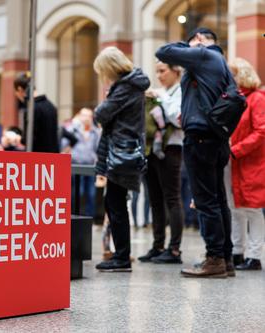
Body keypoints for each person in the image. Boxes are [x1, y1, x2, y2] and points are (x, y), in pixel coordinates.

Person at [156, 27, 235, 278]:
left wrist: (191, 45)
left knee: (206, 201)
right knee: (218, 200)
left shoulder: (202, 56)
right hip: (217, 138)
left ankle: (214, 259)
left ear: (199, 41)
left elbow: (163, 51)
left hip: (200, 139)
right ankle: (225, 257)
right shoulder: (221, 62)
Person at [93, 47, 150, 272]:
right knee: (115, 203)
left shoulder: (125, 87)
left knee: (115, 204)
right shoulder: (131, 85)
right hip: (123, 150)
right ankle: (120, 255)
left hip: (121, 151)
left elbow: (101, 114)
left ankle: (122, 257)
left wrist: (105, 102)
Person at [138, 61, 184, 264]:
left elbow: (178, 118)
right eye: (156, 71)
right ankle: (157, 246)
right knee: (155, 198)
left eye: (163, 71)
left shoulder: (180, 91)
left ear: (176, 71)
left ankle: (174, 249)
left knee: (172, 198)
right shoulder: (160, 92)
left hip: (172, 148)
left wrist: (161, 97)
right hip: (151, 149)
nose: (159, 75)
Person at [225, 58, 265, 271]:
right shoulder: (233, 98)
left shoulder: (257, 98)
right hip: (235, 160)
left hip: (251, 161)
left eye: (232, 74)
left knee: (252, 209)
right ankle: (237, 251)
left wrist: (236, 149)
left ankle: (255, 255)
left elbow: (261, 130)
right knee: (235, 208)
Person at [61, 108, 101, 217]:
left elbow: (98, 149)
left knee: (91, 194)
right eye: (84, 115)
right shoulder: (72, 130)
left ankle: (90, 217)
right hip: (76, 165)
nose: (87, 118)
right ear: (79, 116)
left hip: (91, 166)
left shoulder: (95, 132)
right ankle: (74, 215)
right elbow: (64, 145)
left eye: (89, 116)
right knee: (78, 192)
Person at [14, 73, 59, 153]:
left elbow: (28, 140)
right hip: (53, 161)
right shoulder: (51, 106)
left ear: (20, 89)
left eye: (16, 93)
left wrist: (16, 138)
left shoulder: (31, 109)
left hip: (38, 160)